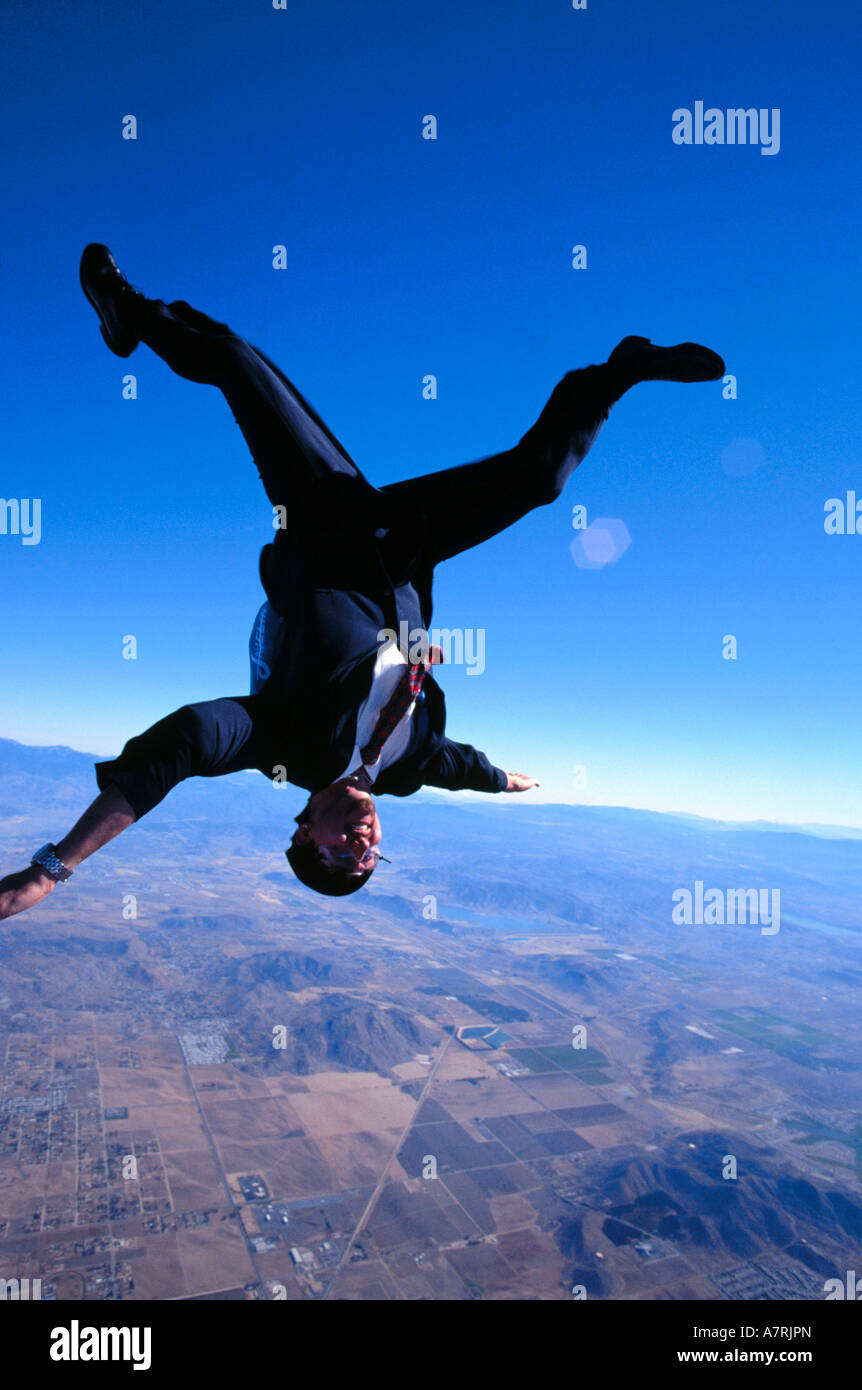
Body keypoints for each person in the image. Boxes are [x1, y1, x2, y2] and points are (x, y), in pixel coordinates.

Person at [0, 245, 724, 918]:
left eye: (340, 853)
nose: (361, 842)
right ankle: (620, 372)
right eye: (369, 857)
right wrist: (509, 782)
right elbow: (460, 768)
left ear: (303, 831)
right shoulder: (406, 768)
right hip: (408, 545)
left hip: (324, 522)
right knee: (538, 479)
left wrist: (51, 870)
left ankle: (130, 317)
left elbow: (186, 742)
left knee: (234, 360)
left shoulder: (283, 746)